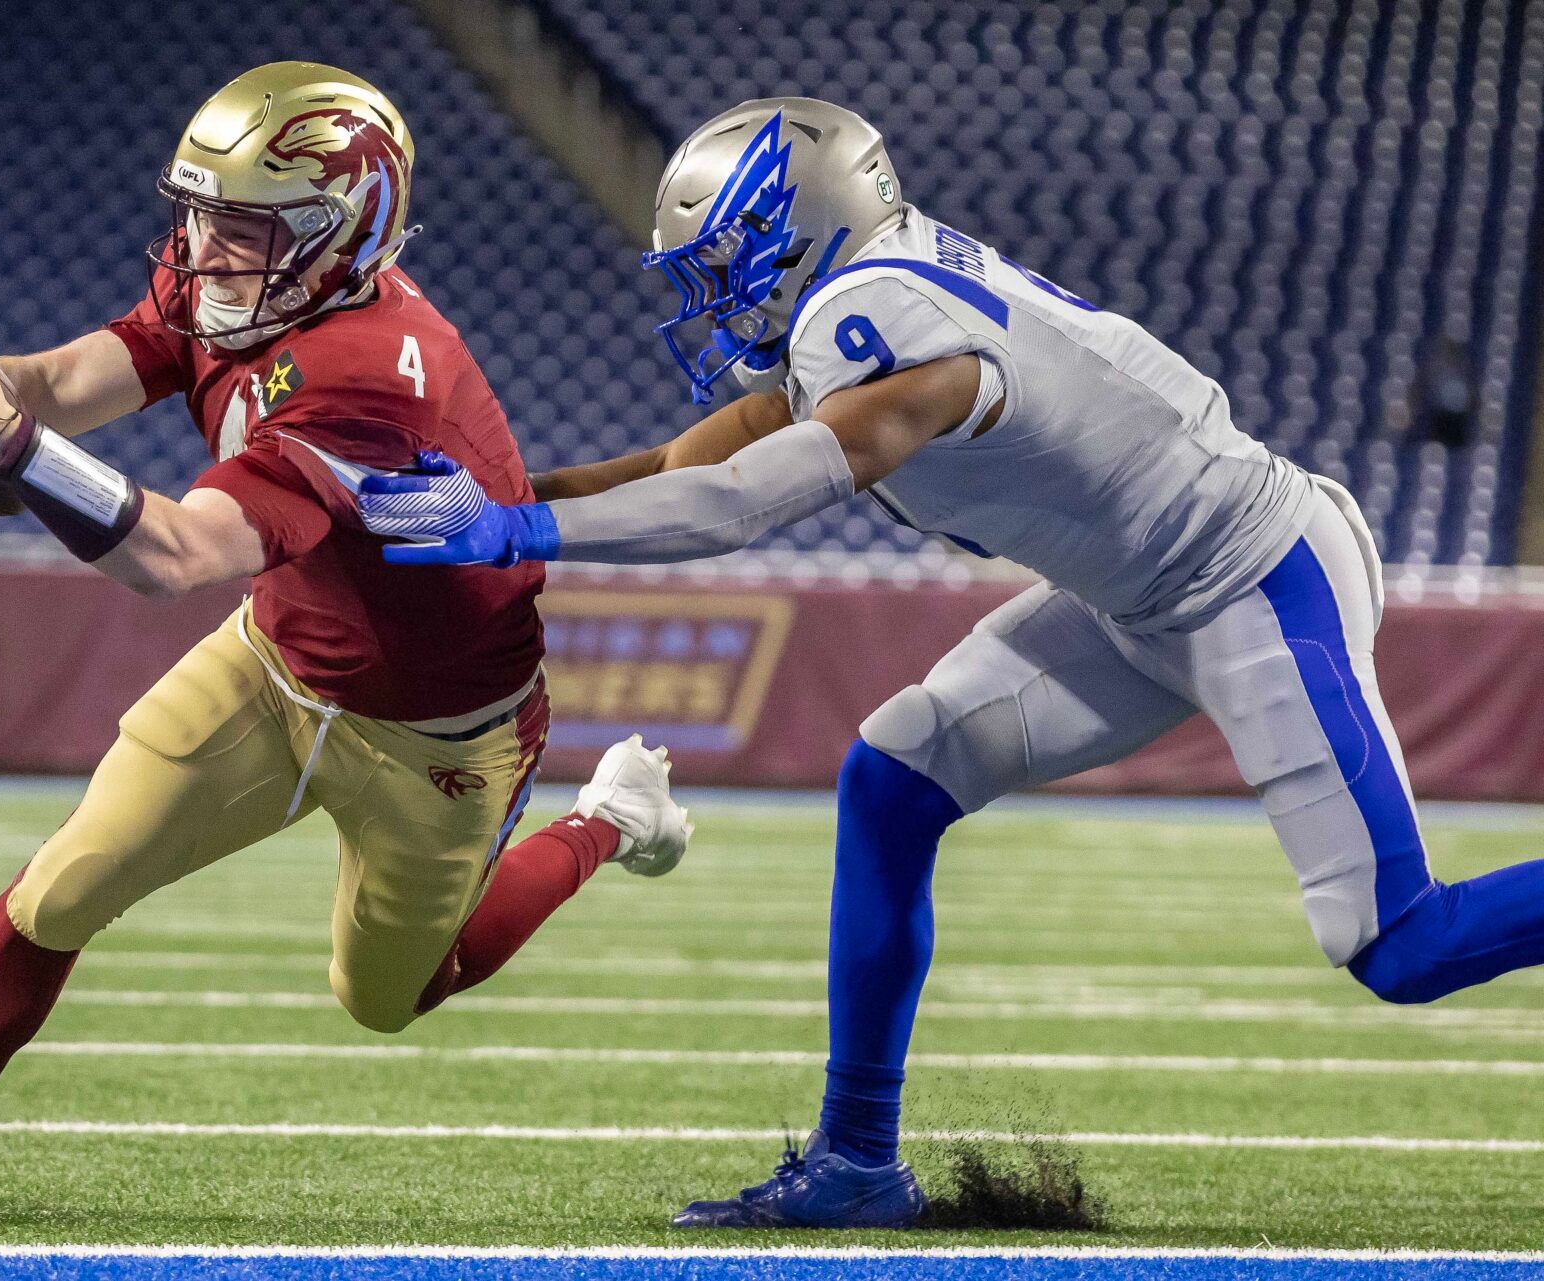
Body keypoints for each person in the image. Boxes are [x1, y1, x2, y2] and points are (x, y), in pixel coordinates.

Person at [354, 96, 1544, 1230]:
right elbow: (681, 462)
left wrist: (516, 531)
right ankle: (859, 1161)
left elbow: (728, 507)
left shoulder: (880, 328)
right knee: (894, 774)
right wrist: (495, 500)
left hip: (1253, 579)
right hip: (1133, 597)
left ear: (800, 233)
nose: (711, 298)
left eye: (725, 264)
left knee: (1403, 947)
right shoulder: (864, 306)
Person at [0, 62, 690, 1222]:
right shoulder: (240, 287)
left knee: (393, 996)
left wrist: (0, 443)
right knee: (57, 893)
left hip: (439, 731)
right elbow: (66, 383)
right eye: (198, 214)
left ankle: (610, 819)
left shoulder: (369, 378)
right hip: (277, 664)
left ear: (347, 229)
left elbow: (177, 557)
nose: (205, 250)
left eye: (244, 227)